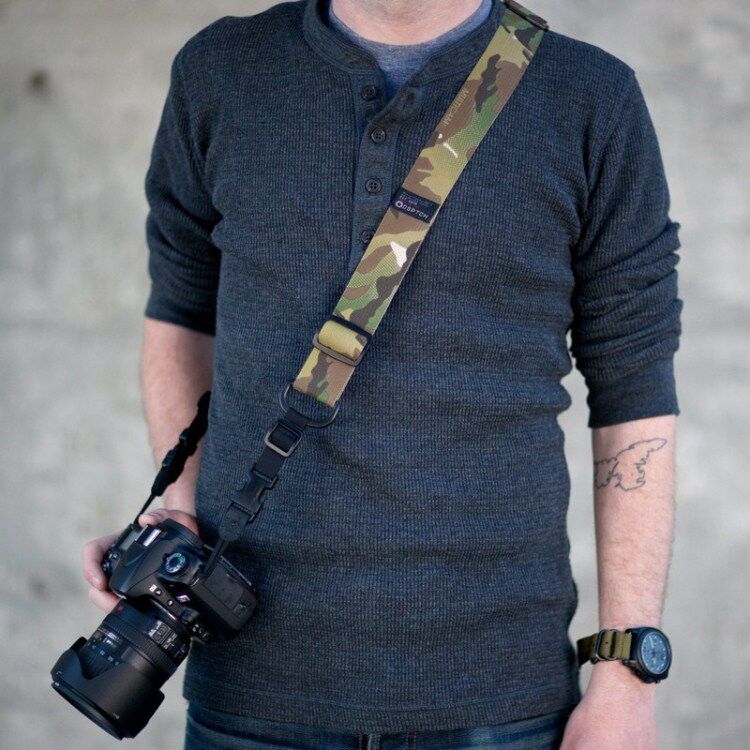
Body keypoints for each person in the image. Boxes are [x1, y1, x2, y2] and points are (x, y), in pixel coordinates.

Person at [81, 1, 681, 748]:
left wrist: (627, 676)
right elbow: (180, 312)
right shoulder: (222, 71)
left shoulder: (591, 97)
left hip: (500, 695)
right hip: (251, 686)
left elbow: (634, 388)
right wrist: (179, 515)